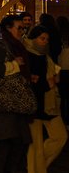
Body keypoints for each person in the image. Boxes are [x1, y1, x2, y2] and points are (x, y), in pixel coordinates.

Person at [0, 14, 31, 173]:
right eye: (19, 28)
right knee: (2, 154)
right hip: (3, 110)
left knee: (15, 153)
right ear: (7, 28)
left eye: (23, 28)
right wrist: (15, 65)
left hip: (14, 108)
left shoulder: (16, 45)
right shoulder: (0, 46)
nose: (22, 31)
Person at [23, 25, 67, 173]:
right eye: (42, 38)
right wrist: (47, 83)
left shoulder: (44, 56)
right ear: (33, 38)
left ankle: (35, 166)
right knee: (35, 144)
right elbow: (30, 81)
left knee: (60, 136)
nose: (45, 42)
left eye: (47, 39)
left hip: (49, 103)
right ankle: (35, 168)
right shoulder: (29, 55)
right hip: (35, 103)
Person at [57, 15, 69, 123]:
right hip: (66, 67)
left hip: (61, 69)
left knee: (61, 95)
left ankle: (63, 119)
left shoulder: (57, 36)